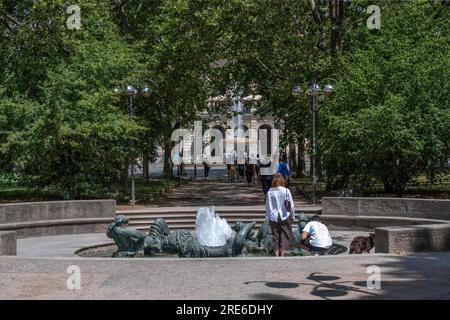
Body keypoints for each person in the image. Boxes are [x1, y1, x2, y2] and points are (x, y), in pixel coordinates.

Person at [265, 173, 295, 257]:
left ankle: (276, 255)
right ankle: (282, 255)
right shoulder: (286, 190)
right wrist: (292, 216)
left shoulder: (270, 192)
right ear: (282, 180)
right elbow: (292, 205)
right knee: (284, 236)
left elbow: (267, 207)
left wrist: (267, 219)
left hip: (273, 217)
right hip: (285, 216)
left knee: (275, 237)